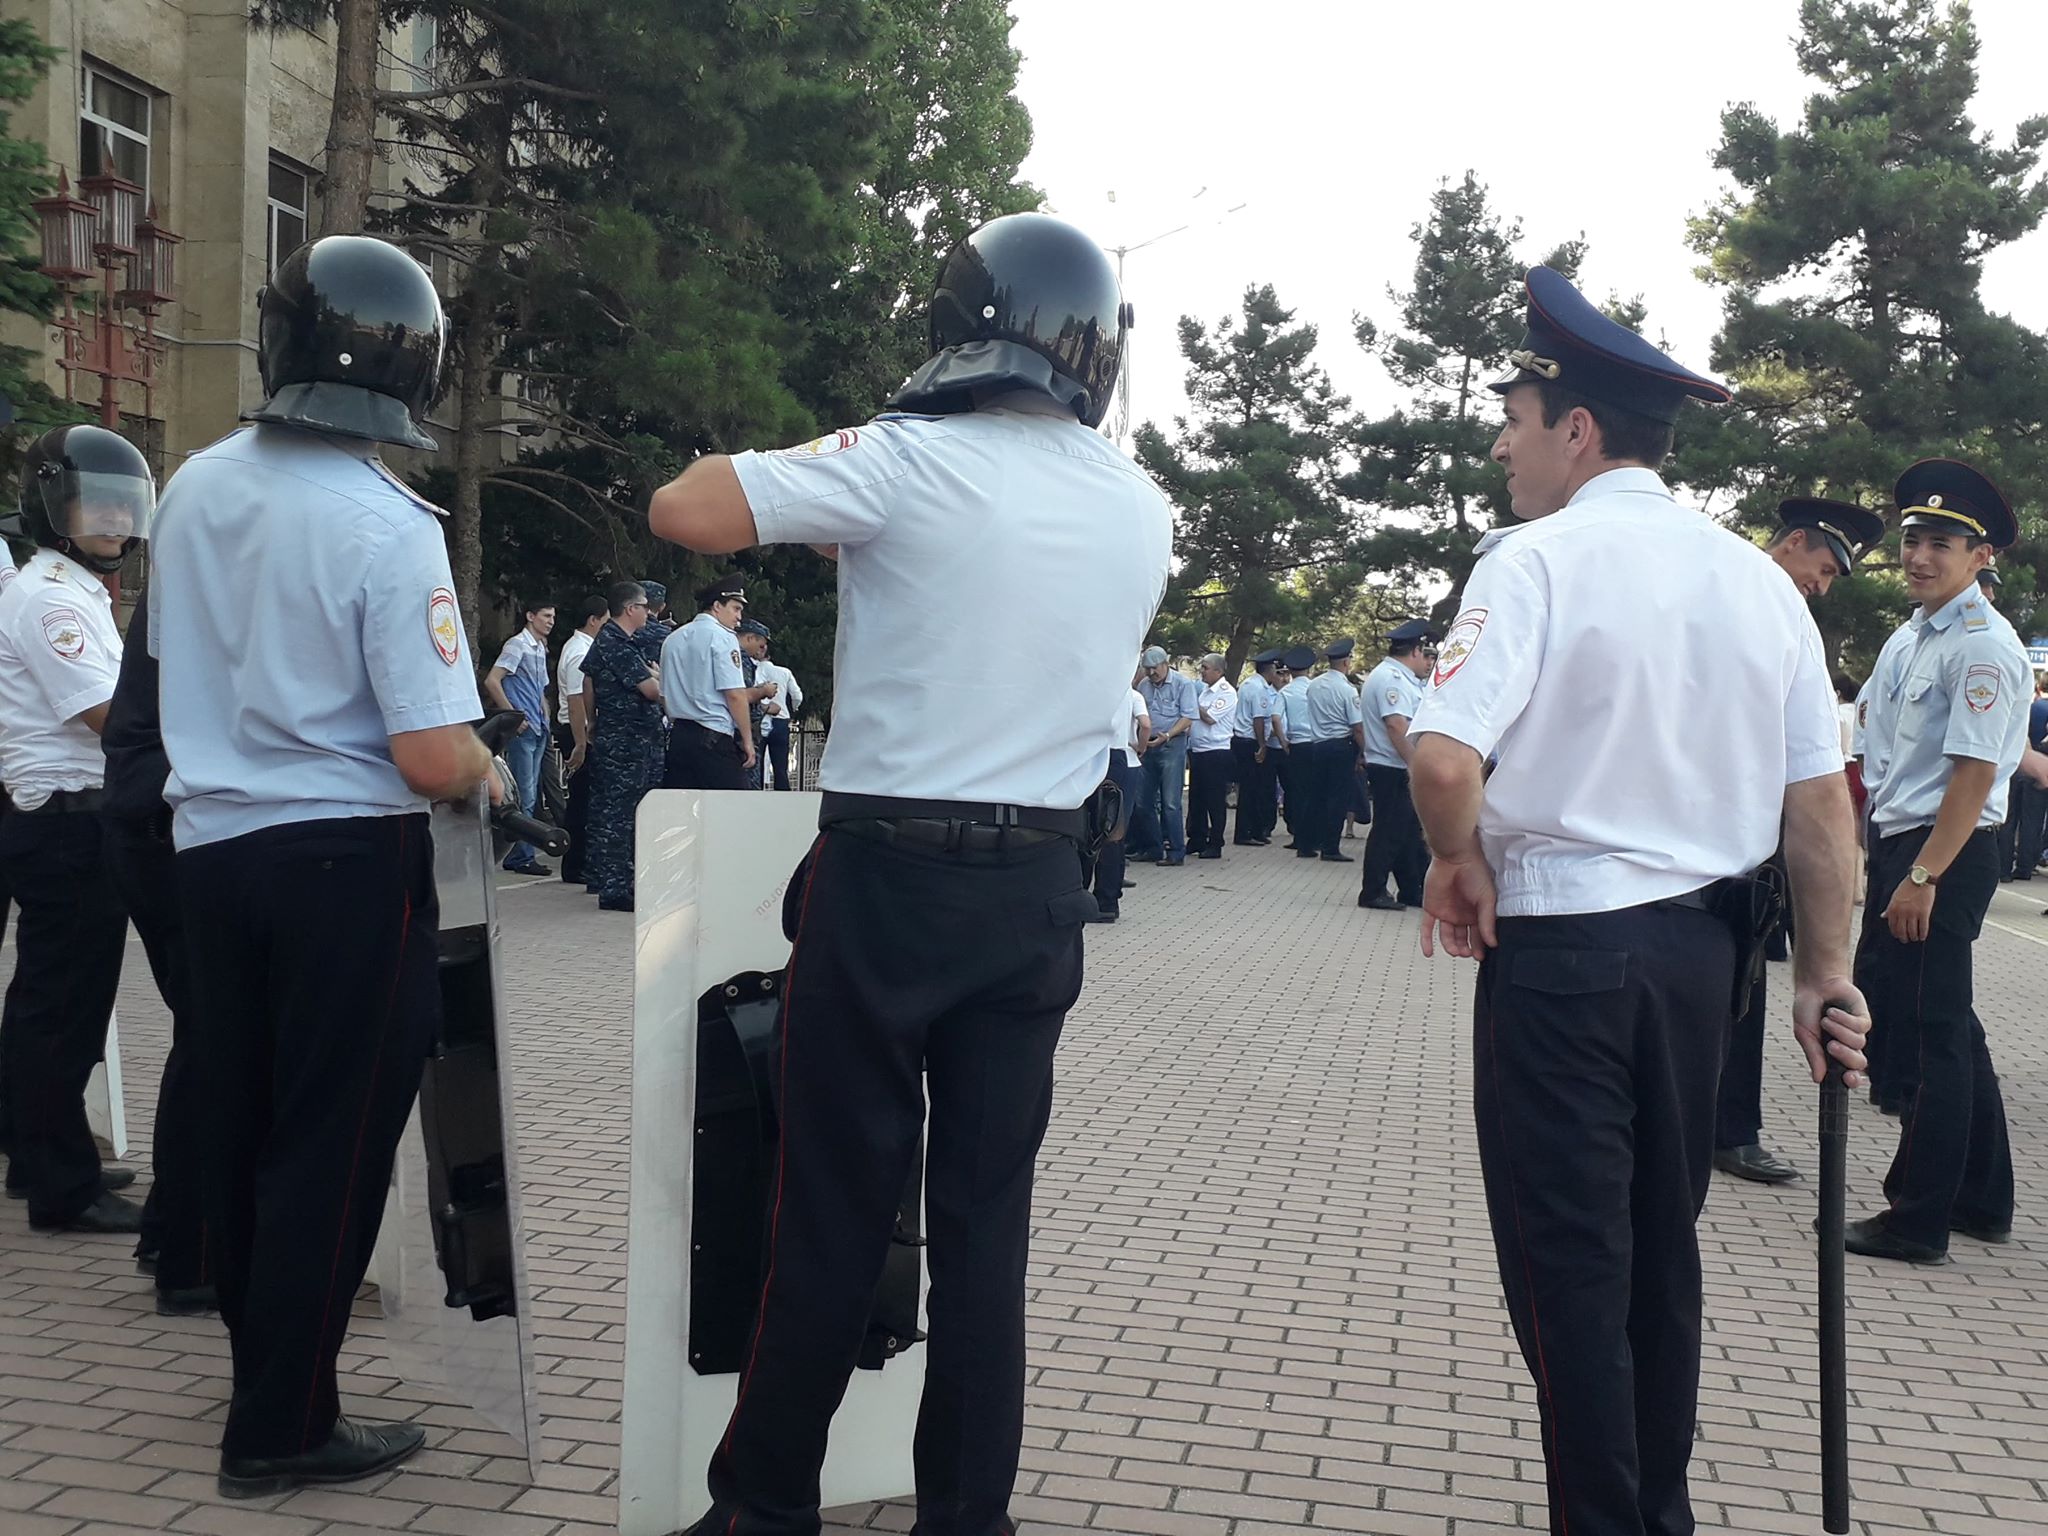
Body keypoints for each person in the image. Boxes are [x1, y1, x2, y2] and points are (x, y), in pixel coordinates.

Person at [646, 209, 1170, 1536]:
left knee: (830, 1210)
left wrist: (847, 467)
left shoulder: (902, 460)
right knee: (987, 1233)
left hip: (886, 881)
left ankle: (765, 1506)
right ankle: (966, 1515)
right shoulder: (1140, 504)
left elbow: (684, 507)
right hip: (1038, 887)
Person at [1407, 266, 1869, 1536]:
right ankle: (1652, 1510)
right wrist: (1823, 975)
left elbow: (1441, 759)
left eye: (1513, 421)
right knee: (1659, 1261)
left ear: (1575, 428)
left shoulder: (1532, 560)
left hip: (1563, 959)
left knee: (1568, 1275)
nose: (1500, 447)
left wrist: (1455, 859)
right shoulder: (1759, 583)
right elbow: (1817, 810)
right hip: (1699, 966)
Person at [150, 234, 496, 1495]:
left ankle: (266, 1380)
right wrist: (488, 766)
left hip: (212, 850)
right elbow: (427, 752)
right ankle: (284, 1423)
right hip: (345, 863)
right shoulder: (386, 523)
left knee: (240, 1125)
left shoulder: (193, 486)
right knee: (330, 1147)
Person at [1847, 458, 2030, 1265]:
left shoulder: (1982, 649)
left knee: (1931, 1038)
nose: (1920, 556)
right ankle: (1981, 1198)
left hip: (1943, 853)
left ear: (1981, 556)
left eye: (1942, 544)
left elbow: (1974, 776)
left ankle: (1917, 1219)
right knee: (1949, 1024)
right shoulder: (1913, 636)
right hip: (1906, 845)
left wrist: (1922, 875)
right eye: (1913, 539)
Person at [1711, 496, 1887, 1188]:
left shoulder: (1765, 608)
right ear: (1792, 543)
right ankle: (1722, 1128)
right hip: (1716, 830)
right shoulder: (1736, 598)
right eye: (1824, 568)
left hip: (1748, 834)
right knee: (1725, 987)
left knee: (1742, 982)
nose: (1822, 585)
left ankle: (1728, 1127)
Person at [0, 424, 148, 1235]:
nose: (117, 522)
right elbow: (108, 716)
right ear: (53, 506)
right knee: (62, 1007)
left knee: (52, 1000)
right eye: (98, 506)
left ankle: (35, 1153)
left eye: (126, 507)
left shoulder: (72, 590)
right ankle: (62, 1186)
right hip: (67, 823)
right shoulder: (53, 599)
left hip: (70, 819)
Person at [101, 575, 214, 1314]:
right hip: (172, 823)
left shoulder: (197, 553)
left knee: (205, 1035)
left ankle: (173, 1231)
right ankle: (191, 1253)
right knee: (219, 1040)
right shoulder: (220, 562)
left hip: (150, 815)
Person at [583, 580, 663, 911]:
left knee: (620, 812)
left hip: (625, 738)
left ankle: (617, 881)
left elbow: (588, 680)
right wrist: (657, 676)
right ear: (631, 609)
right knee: (622, 815)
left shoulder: (613, 640)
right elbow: (651, 691)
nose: (648, 613)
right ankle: (615, 888)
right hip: (625, 742)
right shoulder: (616, 643)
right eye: (644, 607)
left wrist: (592, 722)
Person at [1357, 619, 1438, 911]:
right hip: (1393, 767)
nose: (1428, 662)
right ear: (1415, 650)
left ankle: (1411, 888)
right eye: (1426, 654)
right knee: (1388, 831)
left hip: (1396, 765)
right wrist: (1416, 766)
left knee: (1407, 832)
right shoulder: (1392, 679)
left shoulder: (1400, 678)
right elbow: (1395, 724)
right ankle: (1373, 890)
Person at [659, 577, 760, 792]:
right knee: (736, 804)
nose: (739, 617)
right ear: (716, 606)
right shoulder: (723, 637)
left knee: (683, 806)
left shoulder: (673, 638)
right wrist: (747, 740)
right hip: (713, 735)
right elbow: (734, 694)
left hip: (679, 736)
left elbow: (664, 695)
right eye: (735, 609)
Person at [483, 600, 557, 876]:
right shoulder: (517, 645)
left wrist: (544, 710)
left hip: (537, 726)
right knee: (524, 792)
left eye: (552, 617)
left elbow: (539, 687)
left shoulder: (538, 648)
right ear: (530, 616)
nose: (550, 621)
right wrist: (512, 714)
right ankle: (520, 855)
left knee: (531, 792)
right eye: (546, 615)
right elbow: (493, 680)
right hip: (524, 728)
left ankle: (522, 853)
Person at [555, 594, 607, 885]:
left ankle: (581, 861)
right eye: (605, 622)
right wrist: (581, 743)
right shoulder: (579, 652)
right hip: (577, 731)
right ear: (593, 620)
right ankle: (574, 865)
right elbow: (576, 701)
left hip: (581, 731)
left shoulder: (584, 648)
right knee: (581, 801)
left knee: (585, 799)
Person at [1090, 684, 1150, 922]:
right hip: (1120, 755)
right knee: (1114, 830)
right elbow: (1145, 724)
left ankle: (1090, 896)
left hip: (1099, 754)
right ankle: (1108, 899)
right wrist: (1141, 747)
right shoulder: (1128, 693)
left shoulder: (1097, 688)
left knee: (1091, 830)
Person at [1136, 645, 1198, 866]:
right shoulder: (1144, 685)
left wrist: (1168, 735)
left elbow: (1189, 716)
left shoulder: (1183, 684)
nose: (1151, 673)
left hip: (1172, 744)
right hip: (1148, 745)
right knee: (1143, 801)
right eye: (1147, 669)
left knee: (1171, 802)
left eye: (1155, 668)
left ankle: (1176, 851)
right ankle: (1153, 848)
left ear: (1166, 664)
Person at [1302, 638, 1363, 861]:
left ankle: (1306, 844)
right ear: (1346, 662)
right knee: (1337, 798)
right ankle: (1330, 848)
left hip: (1317, 745)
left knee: (1315, 796)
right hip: (1340, 746)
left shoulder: (1314, 685)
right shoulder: (1347, 690)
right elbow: (1357, 726)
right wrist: (1364, 751)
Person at [1184, 654, 1237, 859]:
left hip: (1216, 751)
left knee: (1214, 800)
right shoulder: (1205, 691)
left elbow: (1210, 718)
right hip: (1198, 750)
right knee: (1197, 798)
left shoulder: (1226, 692)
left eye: (1205, 668)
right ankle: (1197, 838)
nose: (1202, 672)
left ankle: (1216, 843)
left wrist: (1192, 704)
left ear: (1218, 671)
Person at [1230, 650, 1283, 846]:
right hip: (1250, 741)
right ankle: (1245, 833)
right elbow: (1258, 719)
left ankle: (1255, 830)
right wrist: (1262, 745)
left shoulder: (1248, 684)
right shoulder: (1259, 689)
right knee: (1251, 790)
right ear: (1269, 670)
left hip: (1242, 740)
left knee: (1254, 788)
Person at [1277, 645, 1317, 845]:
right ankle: (1316, 835)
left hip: (1297, 745)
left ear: (1290, 670)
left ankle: (1300, 837)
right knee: (1316, 790)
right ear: (1309, 668)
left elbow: (1275, 718)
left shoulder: (1285, 691)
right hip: (1316, 742)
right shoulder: (1316, 687)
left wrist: (1283, 741)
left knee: (1297, 792)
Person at [754, 641, 806, 791]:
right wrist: (793, 709)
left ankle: (756, 794)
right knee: (780, 766)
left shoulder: (754, 670)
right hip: (781, 720)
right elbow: (797, 696)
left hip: (759, 719)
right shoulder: (785, 672)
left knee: (757, 764)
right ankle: (783, 795)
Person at [738, 618, 776, 789]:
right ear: (750, 638)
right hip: (740, 733)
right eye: (761, 645)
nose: (763, 650)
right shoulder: (741, 658)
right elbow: (741, 696)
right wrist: (763, 691)